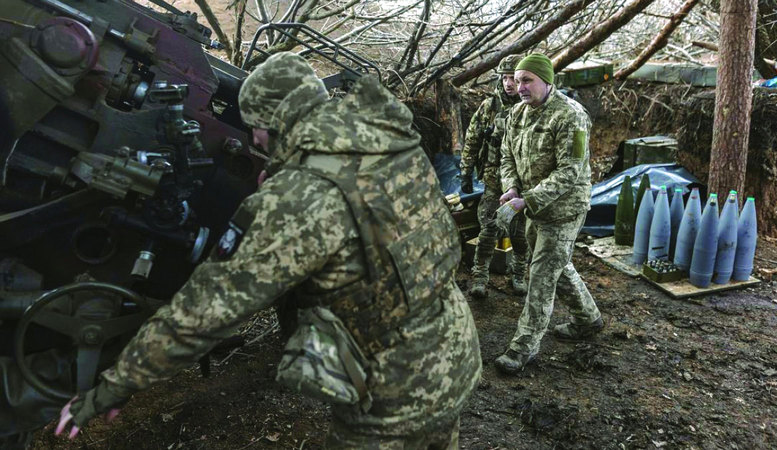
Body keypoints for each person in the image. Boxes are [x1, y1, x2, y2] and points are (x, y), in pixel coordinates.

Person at [55, 52, 482, 448]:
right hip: (455, 348)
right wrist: (284, 171)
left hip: (396, 390)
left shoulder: (298, 198)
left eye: (254, 124)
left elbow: (206, 311)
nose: (252, 136)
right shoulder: (385, 140)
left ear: (275, 122)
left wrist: (112, 388)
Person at [493, 53, 604, 375]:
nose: (520, 86)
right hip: (532, 205)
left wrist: (527, 199)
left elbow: (571, 170)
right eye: (517, 79)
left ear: (547, 81)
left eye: (528, 80)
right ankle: (588, 318)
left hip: (564, 209)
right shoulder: (516, 114)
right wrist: (512, 188)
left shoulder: (571, 116)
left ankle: (522, 348)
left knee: (541, 275)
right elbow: (506, 156)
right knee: (556, 263)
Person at [460, 54, 529, 299]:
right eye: (505, 78)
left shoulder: (532, 107)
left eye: (514, 78)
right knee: (488, 229)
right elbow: (472, 140)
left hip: (523, 184)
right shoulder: (489, 107)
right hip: (493, 179)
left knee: (520, 234)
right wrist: (465, 172)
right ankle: (480, 277)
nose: (509, 84)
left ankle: (518, 274)